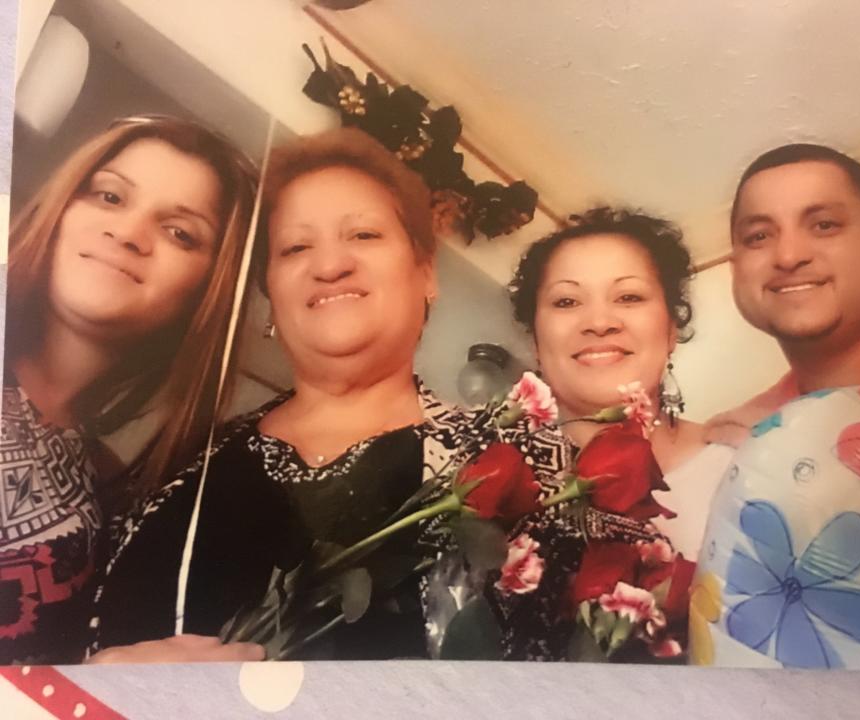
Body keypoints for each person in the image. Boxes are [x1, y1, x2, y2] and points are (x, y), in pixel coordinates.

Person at [91, 128, 529, 662]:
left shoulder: (510, 465)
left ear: (425, 271)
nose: (329, 265)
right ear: (271, 297)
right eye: (296, 247)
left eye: (363, 235)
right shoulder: (180, 461)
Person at [1, 116, 258, 664]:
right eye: (110, 196)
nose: (127, 233)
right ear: (63, 205)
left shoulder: (115, 507)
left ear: (205, 293)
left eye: (179, 232)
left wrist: (105, 678)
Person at [496, 207, 735, 660]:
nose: (599, 321)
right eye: (566, 301)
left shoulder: (739, 467)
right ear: (534, 340)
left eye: (628, 297)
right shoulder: (497, 491)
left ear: (671, 328)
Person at [706, 143, 860, 443]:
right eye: (759, 236)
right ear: (736, 271)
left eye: (824, 225)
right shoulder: (741, 437)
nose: (788, 256)